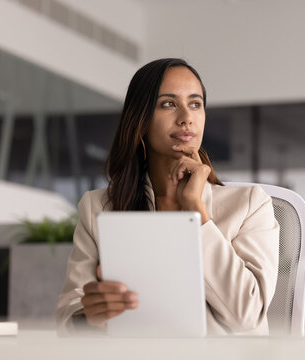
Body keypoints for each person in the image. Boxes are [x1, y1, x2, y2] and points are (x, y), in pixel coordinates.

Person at [56, 58, 279, 335]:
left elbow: (246, 316)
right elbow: (68, 315)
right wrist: (90, 315)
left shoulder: (249, 205)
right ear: (140, 119)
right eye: (168, 103)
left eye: (195, 104)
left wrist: (196, 212)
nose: (186, 116)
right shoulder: (98, 208)